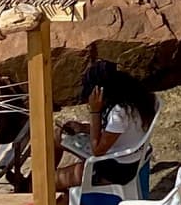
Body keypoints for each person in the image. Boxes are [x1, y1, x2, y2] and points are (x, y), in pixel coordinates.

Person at [55, 60, 157, 196]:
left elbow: (97, 150)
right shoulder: (133, 100)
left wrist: (95, 111)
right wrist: (84, 128)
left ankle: (34, 189)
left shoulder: (119, 113)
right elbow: (113, 131)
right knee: (56, 136)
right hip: (123, 155)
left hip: (115, 168)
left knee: (53, 180)